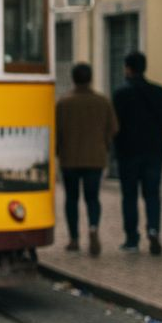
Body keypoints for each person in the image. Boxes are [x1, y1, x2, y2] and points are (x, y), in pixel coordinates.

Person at [112, 51, 162, 255]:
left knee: (129, 196)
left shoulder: (120, 93)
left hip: (128, 152)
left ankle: (132, 240)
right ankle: (154, 230)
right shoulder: (159, 91)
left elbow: (114, 125)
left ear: (128, 68)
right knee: (152, 195)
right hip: (154, 151)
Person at [55, 62, 118, 256]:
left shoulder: (63, 103)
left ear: (73, 79)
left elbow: (56, 131)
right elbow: (114, 128)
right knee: (93, 198)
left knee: (71, 199)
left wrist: (58, 151)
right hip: (95, 159)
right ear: (91, 78)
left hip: (70, 159)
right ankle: (93, 227)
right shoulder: (103, 101)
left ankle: (74, 239)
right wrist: (104, 145)